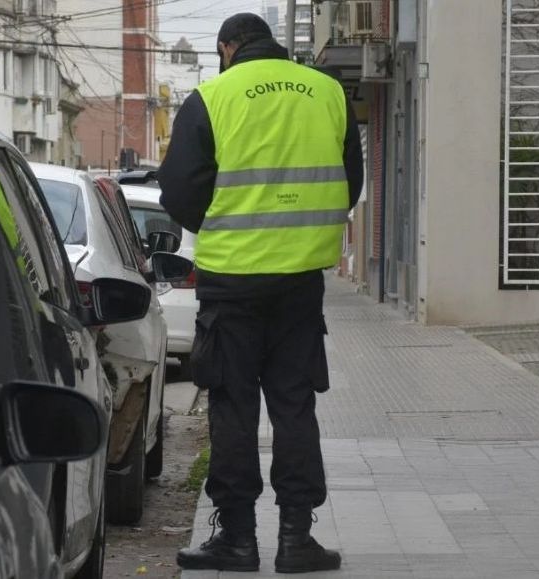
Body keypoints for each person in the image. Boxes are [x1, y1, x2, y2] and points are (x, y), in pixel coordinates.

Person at [158, 12, 363, 573]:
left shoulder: (212, 97)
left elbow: (177, 191)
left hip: (232, 283)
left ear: (227, 48)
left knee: (232, 404)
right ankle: (298, 539)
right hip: (301, 282)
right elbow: (350, 179)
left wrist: (225, 223)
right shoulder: (327, 92)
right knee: (295, 405)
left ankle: (237, 538)